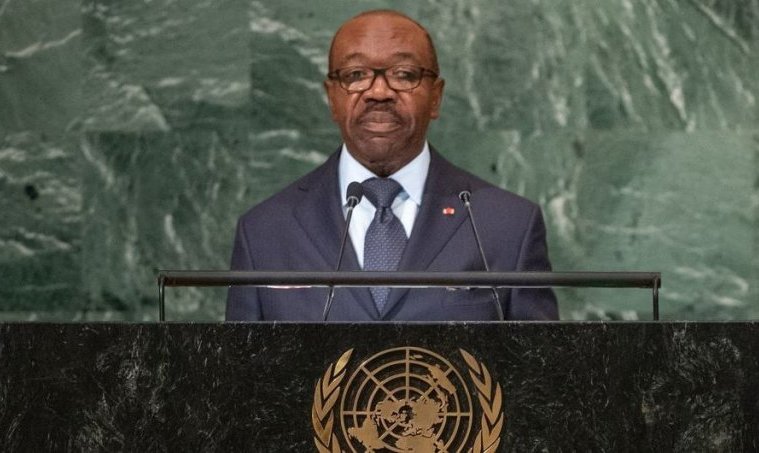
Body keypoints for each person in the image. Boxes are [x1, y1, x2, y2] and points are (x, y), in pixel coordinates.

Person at [226, 10, 558, 321]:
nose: (379, 92)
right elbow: (240, 363)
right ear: (332, 98)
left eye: (404, 74)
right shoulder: (265, 232)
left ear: (436, 97)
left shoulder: (507, 225)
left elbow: (539, 362)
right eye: (356, 75)